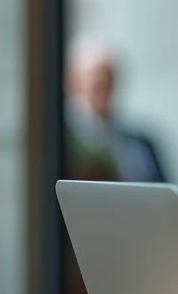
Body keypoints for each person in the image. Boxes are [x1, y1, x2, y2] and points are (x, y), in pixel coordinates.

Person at [65, 38, 168, 184]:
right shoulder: (63, 143)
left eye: (109, 82)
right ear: (75, 84)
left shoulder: (142, 145)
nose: (104, 92)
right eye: (97, 84)